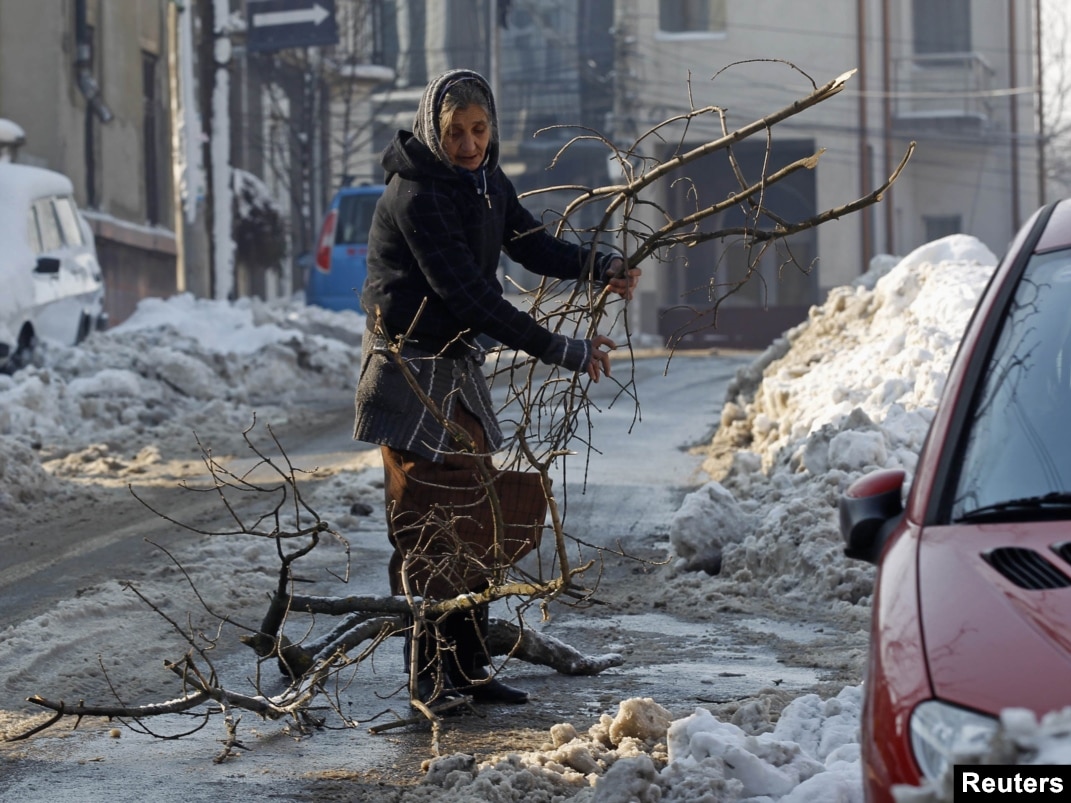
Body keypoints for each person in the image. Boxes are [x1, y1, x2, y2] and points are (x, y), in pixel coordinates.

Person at [353, 68, 640, 709]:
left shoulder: (486, 182)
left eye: (478, 130)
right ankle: (429, 677)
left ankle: (473, 671)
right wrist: (563, 350)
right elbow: (470, 295)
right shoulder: (417, 194)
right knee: (426, 528)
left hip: (457, 374)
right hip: (409, 377)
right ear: (434, 129)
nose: (468, 144)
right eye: (455, 132)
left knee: (475, 519)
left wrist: (601, 266)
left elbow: (531, 245)